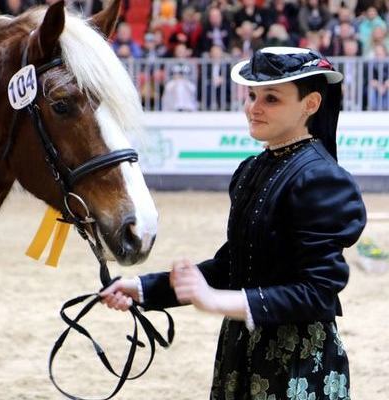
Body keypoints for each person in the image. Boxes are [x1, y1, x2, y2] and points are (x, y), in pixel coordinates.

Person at [102, 47, 367, 399]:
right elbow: (233, 266)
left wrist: (215, 301)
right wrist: (145, 288)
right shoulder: (252, 170)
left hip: (297, 366)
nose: (253, 108)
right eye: (252, 95)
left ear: (311, 104)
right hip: (239, 351)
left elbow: (317, 293)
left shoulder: (322, 179)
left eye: (271, 98)